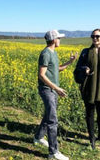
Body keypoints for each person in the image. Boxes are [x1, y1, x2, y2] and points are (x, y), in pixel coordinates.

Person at [33, 30, 77, 160]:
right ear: (53, 40)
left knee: (48, 115)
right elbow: (41, 74)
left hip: (53, 90)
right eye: (59, 38)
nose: (60, 40)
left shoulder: (54, 53)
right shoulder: (45, 53)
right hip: (47, 90)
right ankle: (53, 152)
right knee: (53, 120)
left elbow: (56, 69)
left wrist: (70, 62)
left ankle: (38, 137)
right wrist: (56, 88)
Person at [74, 29, 100, 149]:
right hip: (89, 88)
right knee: (90, 113)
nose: (95, 38)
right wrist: (84, 69)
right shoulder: (85, 52)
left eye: (97, 36)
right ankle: (92, 138)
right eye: (93, 36)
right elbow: (78, 68)